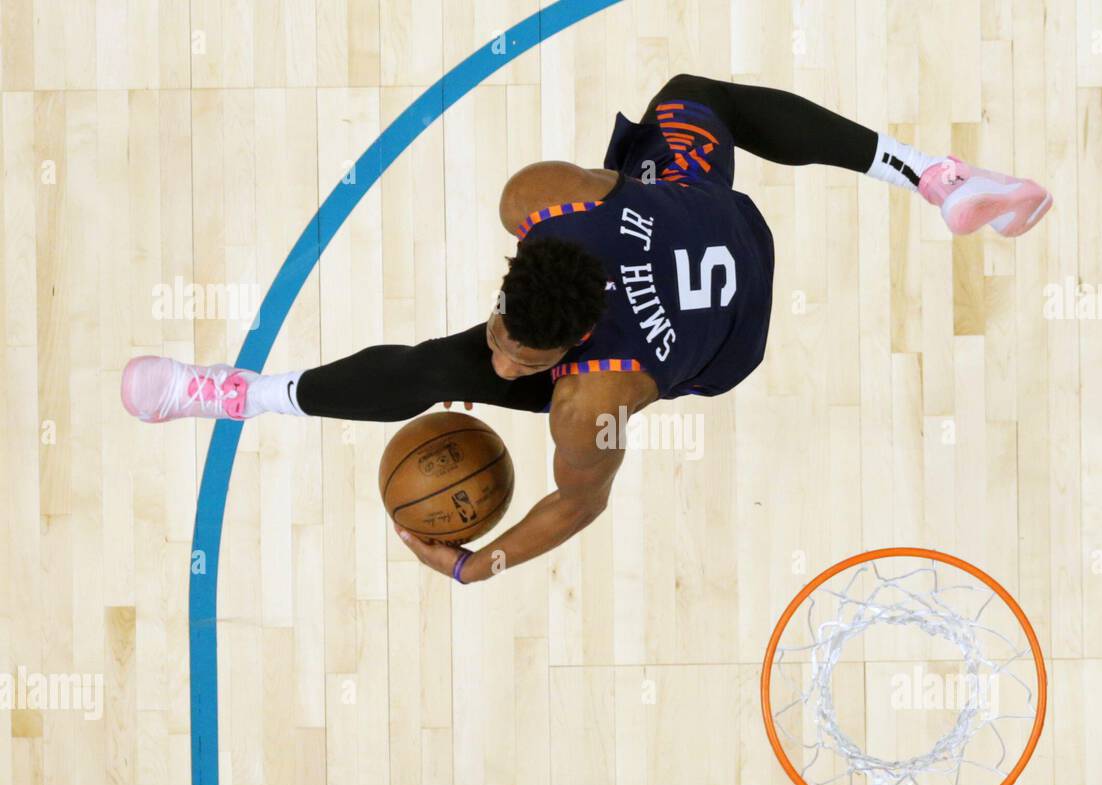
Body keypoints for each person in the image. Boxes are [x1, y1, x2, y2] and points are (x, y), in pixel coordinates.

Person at [121, 75, 1051, 583]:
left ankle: (245, 397)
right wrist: (638, 196)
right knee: (694, 92)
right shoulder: (540, 200)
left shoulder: (591, 404)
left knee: (431, 369)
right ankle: (933, 177)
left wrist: (478, 565)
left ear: (562, 362)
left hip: (725, 338)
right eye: (501, 331)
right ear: (525, 255)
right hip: (698, 212)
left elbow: (580, 503)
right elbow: (600, 206)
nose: (497, 357)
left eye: (517, 361)